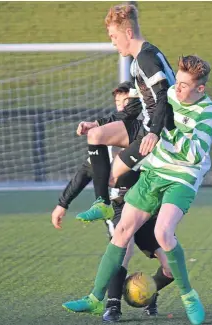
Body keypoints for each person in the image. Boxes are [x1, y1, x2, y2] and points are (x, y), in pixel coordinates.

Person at [62, 55, 212, 325]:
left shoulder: (208, 113)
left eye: (184, 85)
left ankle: (189, 296)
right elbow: (144, 113)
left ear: (200, 89)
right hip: (154, 172)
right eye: (177, 83)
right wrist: (101, 125)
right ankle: (95, 299)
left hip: (181, 177)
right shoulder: (170, 93)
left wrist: (164, 129)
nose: (177, 89)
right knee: (122, 231)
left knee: (163, 232)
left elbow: (194, 154)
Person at [51, 81, 174, 322]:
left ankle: (149, 290)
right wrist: (62, 203)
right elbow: (83, 174)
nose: (122, 108)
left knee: (171, 265)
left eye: (127, 103)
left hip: (146, 208)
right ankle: (113, 305)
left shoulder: (148, 142)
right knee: (123, 248)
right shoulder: (104, 148)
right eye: (118, 104)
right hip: (118, 209)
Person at [75, 3, 176, 223]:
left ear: (128, 33)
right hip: (146, 126)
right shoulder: (139, 59)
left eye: (113, 36)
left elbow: (163, 97)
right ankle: (102, 203)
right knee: (96, 136)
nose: (112, 42)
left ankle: (133, 212)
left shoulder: (146, 59)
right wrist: (97, 123)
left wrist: (155, 133)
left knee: (112, 177)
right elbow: (131, 109)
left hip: (160, 134)